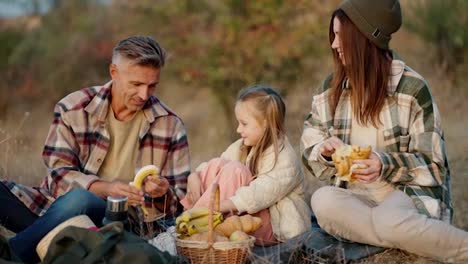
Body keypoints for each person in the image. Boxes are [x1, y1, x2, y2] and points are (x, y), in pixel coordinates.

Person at [301, 0, 468, 262]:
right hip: (354, 197)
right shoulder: (330, 88)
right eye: (332, 35)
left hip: (404, 195)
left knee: (390, 219)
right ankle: (408, 236)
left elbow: (433, 166)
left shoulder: (412, 88)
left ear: (364, 38)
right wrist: (323, 152)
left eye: (340, 36)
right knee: (322, 200)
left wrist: (384, 164)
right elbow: (310, 141)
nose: (333, 44)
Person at [0, 35, 190, 263]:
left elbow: (177, 204)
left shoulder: (171, 125)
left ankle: (12, 255)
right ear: (113, 72)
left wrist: (160, 194)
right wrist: (105, 188)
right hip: (60, 209)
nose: (144, 95)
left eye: (152, 86)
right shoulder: (73, 108)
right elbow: (59, 175)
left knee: (82, 199)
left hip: (122, 224)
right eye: (136, 84)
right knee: (77, 200)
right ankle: (58, 241)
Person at [181, 85, 311, 245]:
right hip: (243, 216)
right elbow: (216, 168)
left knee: (236, 170)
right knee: (220, 164)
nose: (238, 129)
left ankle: (193, 228)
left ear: (265, 124)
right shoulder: (242, 145)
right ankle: (193, 223)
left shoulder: (285, 157)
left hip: (275, 227)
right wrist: (194, 177)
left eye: (244, 123)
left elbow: (259, 194)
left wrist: (217, 207)